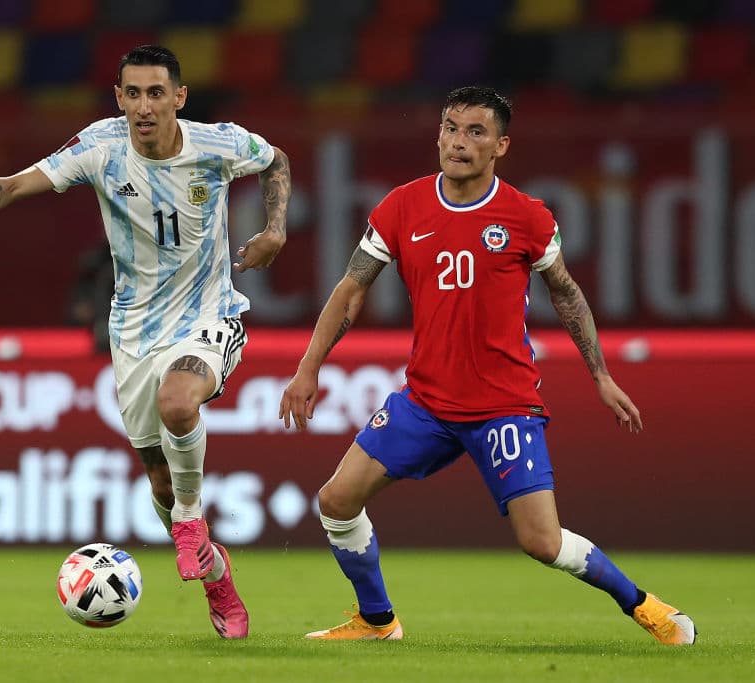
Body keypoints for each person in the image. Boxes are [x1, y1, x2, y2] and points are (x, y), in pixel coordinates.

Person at [279, 86, 695, 645]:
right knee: (335, 500)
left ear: (500, 146)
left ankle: (644, 605)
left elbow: (566, 293)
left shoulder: (526, 216)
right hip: (426, 402)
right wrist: (309, 367)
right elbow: (351, 288)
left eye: (476, 132)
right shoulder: (401, 207)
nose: (459, 142)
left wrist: (600, 375)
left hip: (504, 406)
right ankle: (377, 621)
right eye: (451, 128)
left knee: (542, 542)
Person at [0, 45, 291, 639]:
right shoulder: (101, 146)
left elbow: (276, 159)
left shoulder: (217, 145)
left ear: (179, 98)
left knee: (179, 402)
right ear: (119, 98)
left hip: (209, 314)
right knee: (160, 483)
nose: (144, 106)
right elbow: (15, 184)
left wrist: (275, 229)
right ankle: (217, 576)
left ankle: (191, 524)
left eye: (157, 93)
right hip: (132, 331)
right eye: (133, 94)